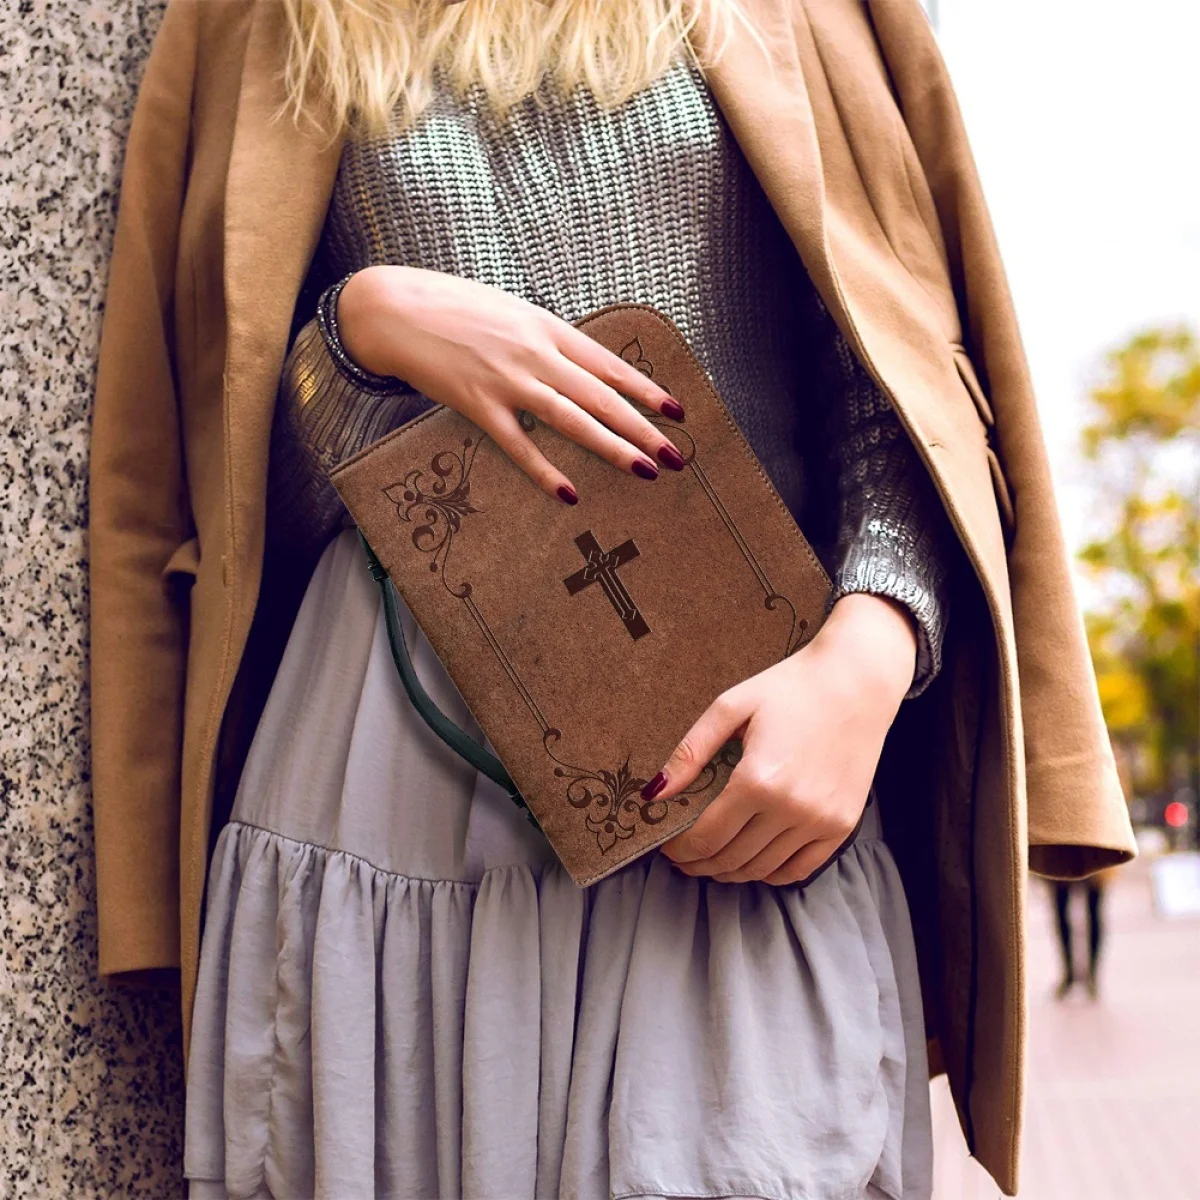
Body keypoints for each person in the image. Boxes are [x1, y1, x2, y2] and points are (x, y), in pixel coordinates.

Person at [87, 1, 1139, 1197]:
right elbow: (210, 488)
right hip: (384, 782)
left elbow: (895, 375)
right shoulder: (257, 17)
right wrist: (361, 329)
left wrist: (874, 645)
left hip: (741, 761)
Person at [1052, 865, 1119, 1000]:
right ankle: (1070, 973)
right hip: (1062, 850)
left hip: (1093, 848)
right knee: (1062, 909)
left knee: (1094, 910)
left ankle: (1091, 975)